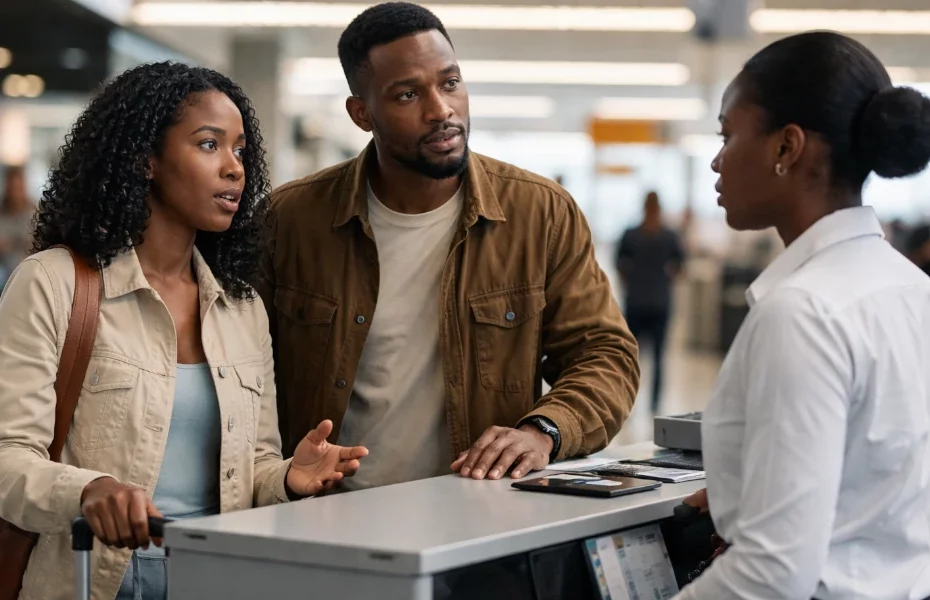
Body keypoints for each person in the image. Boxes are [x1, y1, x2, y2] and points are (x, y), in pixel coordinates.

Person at [0, 62, 368, 600]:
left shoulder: (242, 308)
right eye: (208, 145)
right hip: (95, 579)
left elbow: (255, 467)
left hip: (217, 575)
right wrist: (89, 490)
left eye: (240, 150)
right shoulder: (55, 283)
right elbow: (8, 455)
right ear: (144, 159)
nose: (233, 169)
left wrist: (290, 477)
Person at [259, 2, 639, 491]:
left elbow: (605, 355)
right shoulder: (290, 221)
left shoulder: (539, 214)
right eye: (407, 94)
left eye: (450, 83)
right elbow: (236, 378)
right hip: (326, 517)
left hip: (476, 519)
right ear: (362, 114)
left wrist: (545, 430)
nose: (441, 110)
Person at [674, 32, 930, 600]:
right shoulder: (912, 288)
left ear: (786, 147)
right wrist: (753, 487)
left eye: (728, 135)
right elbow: (890, 470)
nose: (717, 161)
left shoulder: (803, 313)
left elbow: (772, 574)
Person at [614, 191, 684, 413]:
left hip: (640, 301)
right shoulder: (667, 236)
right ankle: (648, 404)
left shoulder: (634, 234)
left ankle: (631, 401)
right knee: (649, 357)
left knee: (637, 358)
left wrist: (633, 281)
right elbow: (680, 266)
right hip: (654, 301)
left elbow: (620, 264)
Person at [0, 165, 36, 290]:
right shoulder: (2, 215)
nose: (15, 193)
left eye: (18, 188)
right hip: (4, 272)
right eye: (12, 188)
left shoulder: (34, 216)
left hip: (26, 271)